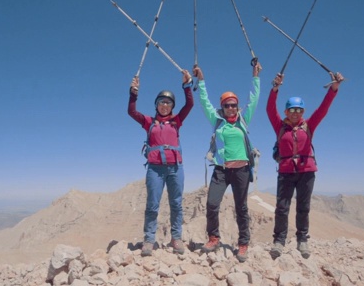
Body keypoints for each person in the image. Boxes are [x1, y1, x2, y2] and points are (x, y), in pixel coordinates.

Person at [266, 71, 345, 259]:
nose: (295, 113)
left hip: (306, 171)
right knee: (282, 207)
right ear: (286, 112)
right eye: (291, 110)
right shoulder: (280, 126)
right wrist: (275, 88)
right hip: (285, 171)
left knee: (303, 206)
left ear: (303, 112)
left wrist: (334, 88)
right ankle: (279, 240)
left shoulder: (309, 125)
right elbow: (270, 110)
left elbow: (323, 109)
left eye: (299, 110)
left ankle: (302, 239)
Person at [193, 62, 261, 262]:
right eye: (226, 105)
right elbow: (204, 102)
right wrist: (201, 81)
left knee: (241, 207)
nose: (230, 108)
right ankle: (213, 238)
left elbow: (254, 99)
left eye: (233, 105)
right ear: (221, 107)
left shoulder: (243, 119)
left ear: (237, 107)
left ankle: (243, 243)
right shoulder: (217, 121)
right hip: (221, 171)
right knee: (212, 204)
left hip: (241, 170)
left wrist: (255, 76)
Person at [128, 70, 194, 257]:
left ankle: (176, 238)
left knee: (176, 204)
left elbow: (190, 104)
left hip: (175, 168)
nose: (165, 105)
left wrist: (187, 85)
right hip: (155, 170)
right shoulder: (149, 122)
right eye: (161, 102)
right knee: (152, 205)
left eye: (168, 102)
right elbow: (131, 111)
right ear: (156, 104)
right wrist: (133, 93)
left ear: (172, 106)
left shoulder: (176, 121)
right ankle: (149, 240)